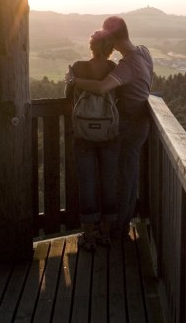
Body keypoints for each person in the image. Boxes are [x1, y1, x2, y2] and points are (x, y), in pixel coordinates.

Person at [65, 16, 153, 241]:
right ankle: (112, 228)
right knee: (122, 176)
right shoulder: (143, 52)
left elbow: (103, 88)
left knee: (121, 178)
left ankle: (117, 231)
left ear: (113, 39)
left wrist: (74, 82)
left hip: (128, 126)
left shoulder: (126, 65)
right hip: (138, 123)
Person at [65, 30, 120, 251]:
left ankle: (88, 236)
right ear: (110, 49)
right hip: (109, 133)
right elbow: (120, 97)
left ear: (92, 46)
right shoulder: (113, 70)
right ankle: (105, 234)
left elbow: (69, 95)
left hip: (83, 134)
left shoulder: (77, 68)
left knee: (87, 183)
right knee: (109, 181)